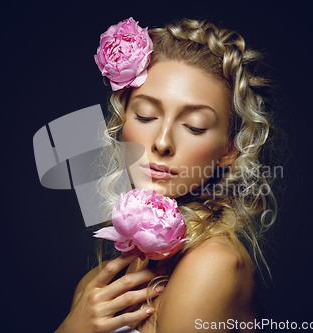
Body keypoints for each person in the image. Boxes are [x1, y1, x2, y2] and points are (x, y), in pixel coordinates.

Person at [55, 17, 277, 333]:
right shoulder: (96, 286)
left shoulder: (213, 266)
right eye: (146, 116)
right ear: (122, 123)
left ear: (229, 150)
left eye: (194, 126)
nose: (162, 142)